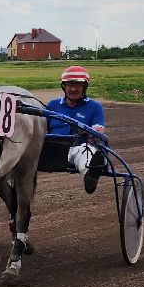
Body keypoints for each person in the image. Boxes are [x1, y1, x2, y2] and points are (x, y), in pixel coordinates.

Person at [43, 65, 107, 193]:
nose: (73, 88)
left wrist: (91, 133)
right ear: (63, 87)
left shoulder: (94, 107)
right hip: (52, 150)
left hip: (77, 148)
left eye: (78, 85)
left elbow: (98, 130)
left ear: (84, 87)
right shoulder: (52, 105)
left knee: (85, 152)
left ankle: (90, 176)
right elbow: (42, 128)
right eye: (69, 85)